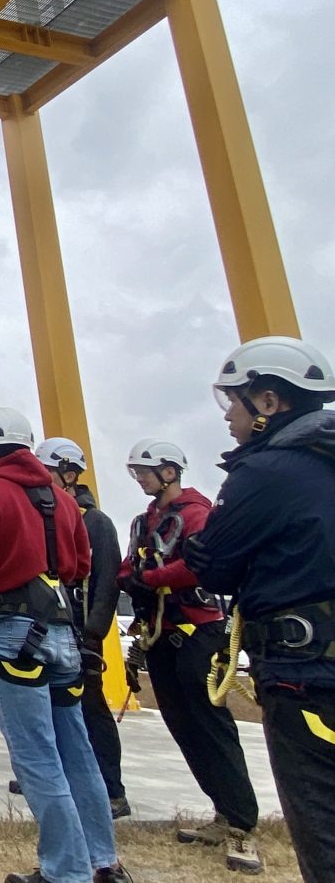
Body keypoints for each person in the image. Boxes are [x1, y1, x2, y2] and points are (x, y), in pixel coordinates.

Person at [0, 408, 130, 883]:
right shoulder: (63, 501)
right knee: (77, 750)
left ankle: (64, 871)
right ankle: (102, 862)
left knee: (35, 755)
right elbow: (80, 567)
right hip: (61, 633)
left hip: (11, 632)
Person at [185, 335, 335, 882]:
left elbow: (215, 564)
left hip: (307, 674)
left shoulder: (266, 471)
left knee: (323, 828)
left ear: (269, 402)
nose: (228, 415)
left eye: (236, 400)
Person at [119, 437, 260, 872]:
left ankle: (242, 826)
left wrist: (155, 578)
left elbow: (199, 565)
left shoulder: (197, 515)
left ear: (170, 471)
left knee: (211, 725)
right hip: (160, 634)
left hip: (198, 633)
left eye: (145, 470)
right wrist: (134, 580)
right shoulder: (146, 521)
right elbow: (130, 566)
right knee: (183, 725)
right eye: (135, 471)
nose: (140, 477)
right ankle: (222, 813)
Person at [22, 438, 130, 819]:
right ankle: (55, 775)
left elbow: (106, 585)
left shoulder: (94, 522)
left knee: (90, 708)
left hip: (80, 634)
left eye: (46, 472)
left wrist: (93, 637)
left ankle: (112, 790)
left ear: (68, 474)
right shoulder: (45, 514)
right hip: (47, 628)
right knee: (45, 706)